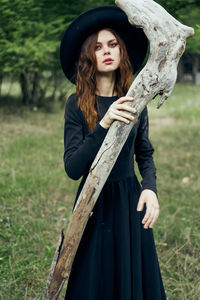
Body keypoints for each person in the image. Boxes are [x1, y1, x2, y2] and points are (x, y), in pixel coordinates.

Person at [60, 5, 167, 300]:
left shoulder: (136, 100)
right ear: (88, 56)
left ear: (121, 52)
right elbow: (72, 168)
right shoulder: (76, 104)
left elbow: (144, 154)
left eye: (113, 44)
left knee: (131, 279)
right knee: (94, 280)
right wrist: (104, 123)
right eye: (97, 47)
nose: (106, 51)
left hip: (129, 200)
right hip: (92, 202)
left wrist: (150, 189)